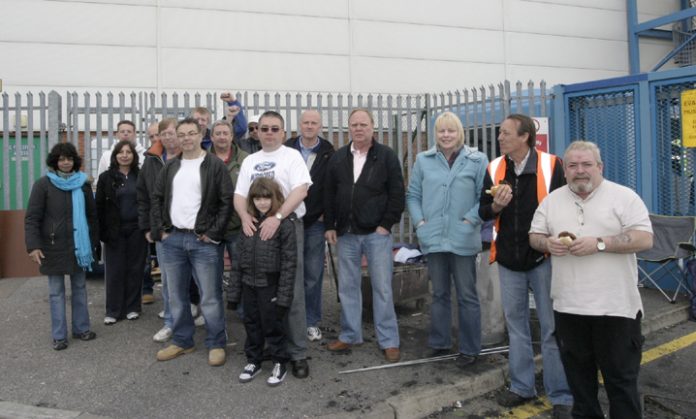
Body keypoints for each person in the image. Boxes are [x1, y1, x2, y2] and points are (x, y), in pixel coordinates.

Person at [529, 141, 653, 419]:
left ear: (600, 167)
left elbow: (645, 238)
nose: (580, 171)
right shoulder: (552, 201)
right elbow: (534, 237)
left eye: (587, 165)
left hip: (616, 309)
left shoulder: (624, 197)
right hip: (569, 309)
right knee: (581, 389)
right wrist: (547, 243)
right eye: (572, 165)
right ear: (565, 169)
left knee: (621, 386)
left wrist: (600, 243)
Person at [478, 114, 573, 416]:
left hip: (543, 259)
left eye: (505, 133)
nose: (500, 138)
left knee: (551, 328)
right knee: (516, 327)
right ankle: (522, 387)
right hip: (508, 260)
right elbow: (483, 211)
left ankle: (561, 395)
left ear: (524, 137)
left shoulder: (552, 165)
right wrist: (496, 206)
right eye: (500, 133)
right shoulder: (494, 168)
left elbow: (568, 206)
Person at [233, 110, 312, 379]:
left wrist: (278, 217)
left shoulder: (292, 156)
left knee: (291, 290)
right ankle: (271, 349)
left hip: (286, 228)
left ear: (283, 132)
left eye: (274, 129)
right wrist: (244, 216)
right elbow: (239, 194)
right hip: (256, 231)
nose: (268, 133)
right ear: (257, 131)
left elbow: (301, 190)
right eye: (263, 128)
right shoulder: (251, 161)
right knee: (262, 295)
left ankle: (298, 353)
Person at [406, 111, 487, 368]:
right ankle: (440, 342)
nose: (446, 135)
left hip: (463, 237)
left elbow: (484, 197)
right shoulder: (423, 160)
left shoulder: (477, 160)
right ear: (435, 134)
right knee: (439, 293)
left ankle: (470, 348)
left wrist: (470, 221)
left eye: (451, 130)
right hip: (433, 238)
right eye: (441, 130)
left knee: (467, 295)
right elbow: (413, 195)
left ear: (460, 132)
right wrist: (420, 223)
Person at [324, 108, 405, 363]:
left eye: (363, 124)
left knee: (382, 288)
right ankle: (350, 335)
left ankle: (389, 341)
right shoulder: (338, 158)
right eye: (354, 125)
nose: (358, 128)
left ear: (372, 127)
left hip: (376, 234)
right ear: (349, 128)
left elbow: (397, 194)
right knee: (348, 287)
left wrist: (386, 224)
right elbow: (328, 193)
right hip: (346, 233)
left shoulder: (386, 156)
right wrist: (330, 225)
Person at [151, 117, 233, 367]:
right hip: (173, 239)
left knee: (210, 296)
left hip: (204, 242)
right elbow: (156, 199)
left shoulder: (214, 166)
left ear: (201, 135)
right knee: (176, 296)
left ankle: (216, 343)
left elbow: (226, 202)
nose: (186, 138)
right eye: (182, 134)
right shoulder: (171, 166)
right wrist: (161, 232)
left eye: (191, 133)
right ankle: (183, 340)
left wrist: (213, 233)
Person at [25, 142, 99, 350]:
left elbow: (92, 218)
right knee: (56, 292)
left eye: (69, 158)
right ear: (55, 161)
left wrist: (93, 244)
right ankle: (59, 336)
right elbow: (32, 218)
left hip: (79, 247)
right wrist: (33, 246)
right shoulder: (43, 185)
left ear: (74, 161)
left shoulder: (83, 185)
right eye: (61, 159)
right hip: (52, 247)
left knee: (80, 287)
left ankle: (82, 329)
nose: (66, 162)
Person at [228, 177, 297, 387]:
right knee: (251, 322)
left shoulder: (284, 225)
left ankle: (279, 361)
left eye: (267, 198)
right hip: (249, 284)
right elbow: (238, 260)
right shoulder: (248, 223)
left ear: (275, 198)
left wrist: (284, 297)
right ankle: (254, 360)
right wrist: (233, 293)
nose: (262, 202)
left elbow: (289, 263)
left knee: (273, 324)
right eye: (257, 198)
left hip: (271, 285)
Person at [284, 109, 335, 342]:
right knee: (288, 271)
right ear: (299, 125)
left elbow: (332, 187)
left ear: (320, 127)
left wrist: (327, 216)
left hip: (315, 222)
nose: (309, 126)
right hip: (288, 219)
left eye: (314, 123)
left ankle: (311, 320)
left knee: (313, 274)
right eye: (306, 122)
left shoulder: (328, 152)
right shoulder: (286, 148)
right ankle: (290, 318)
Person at [137, 118, 181, 342]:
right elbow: (143, 196)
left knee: (198, 281)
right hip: (163, 231)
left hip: (191, 230)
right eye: (163, 134)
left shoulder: (193, 156)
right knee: (168, 279)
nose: (168, 137)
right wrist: (147, 227)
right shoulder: (152, 161)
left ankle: (200, 319)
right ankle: (171, 322)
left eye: (172, 132)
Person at [96, 140, 147, 324]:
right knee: (115, 270)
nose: (124, 155)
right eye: (121, 152)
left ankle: (133, 307)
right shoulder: (105, 178)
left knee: (135, 269)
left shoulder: (140, 176)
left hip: (137, 230)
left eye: (128, 152)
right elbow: (99, 207)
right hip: (114, 231)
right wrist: (102, 233)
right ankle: (113, 310)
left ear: (134, 156)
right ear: (115, 155)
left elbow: (146, 202)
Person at [210, 120, 249, 265]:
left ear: (232, 136)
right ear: (212, 137)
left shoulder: (246, 159)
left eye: (225, 133)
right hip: (211, 228)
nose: (222, 137)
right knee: (211, 279)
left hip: (238, 226)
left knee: (241, 272)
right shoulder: (202, 159)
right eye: (218, 133)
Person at [142, 121, 160, 305]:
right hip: (152, 217)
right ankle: (146, 289)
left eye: (158, 134)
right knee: (147, 259)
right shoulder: (149, 157)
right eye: (151, 136)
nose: (155, 139)